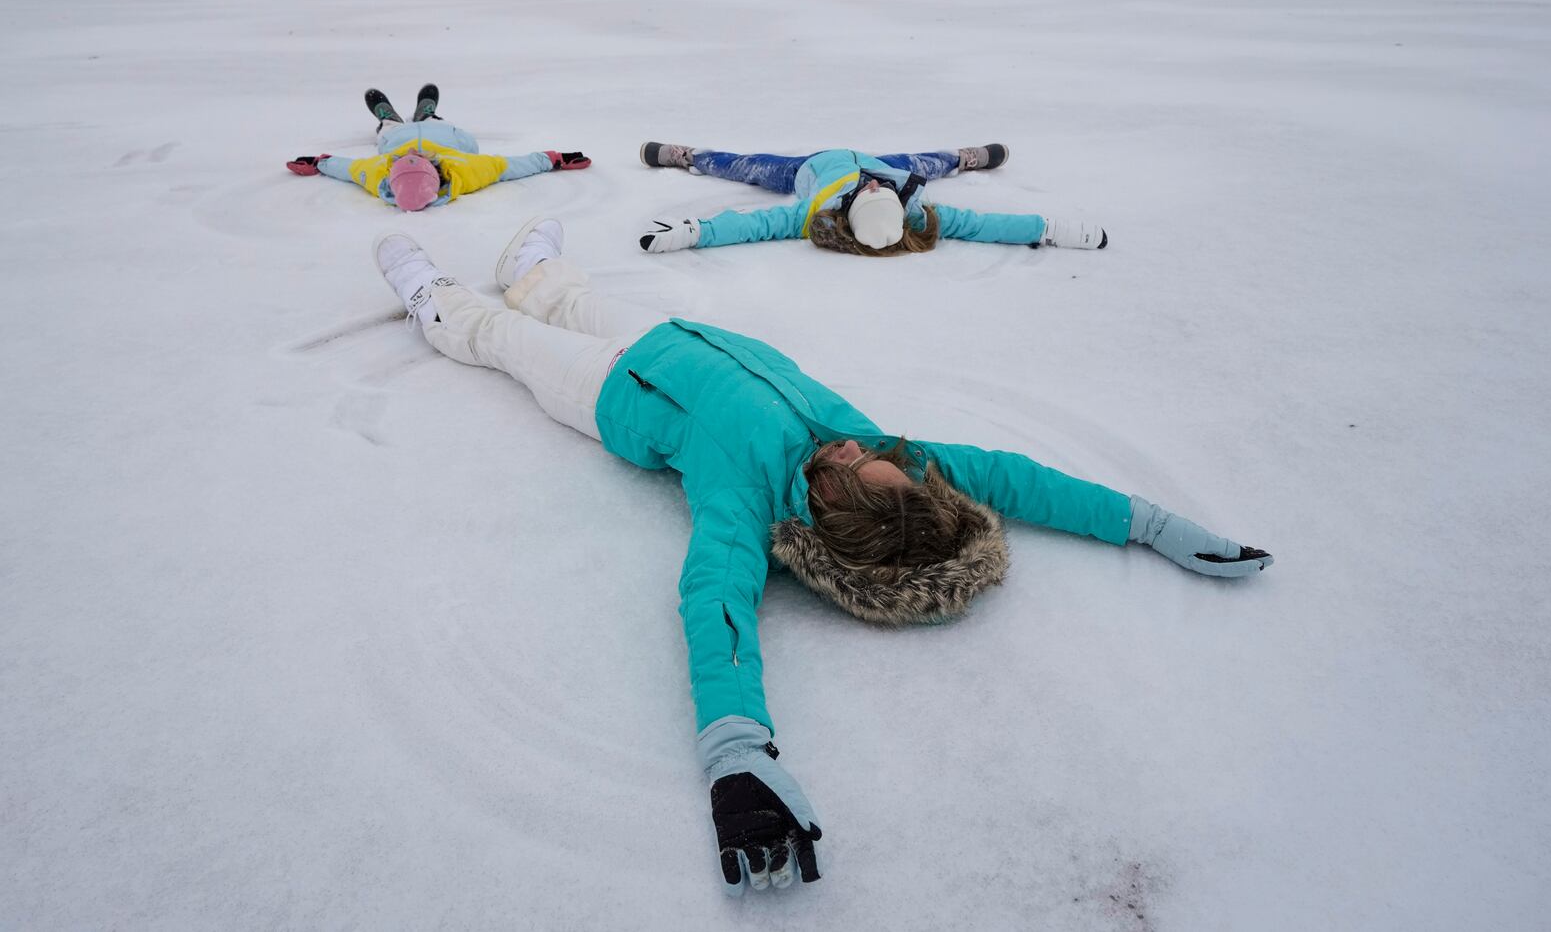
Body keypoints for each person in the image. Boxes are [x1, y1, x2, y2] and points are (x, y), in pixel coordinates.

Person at [369, 221, 1273, 895]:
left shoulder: (750, 502)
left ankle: (434, 301)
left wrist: (736, 755)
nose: (851, 446)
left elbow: (715, 601)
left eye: (851, 466)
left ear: (837, 508)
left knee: (502, 338)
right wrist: (1147, 523)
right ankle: (535, 268)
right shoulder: (894, 457)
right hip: (676, 337)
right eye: (870, 455)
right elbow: (1021, 479)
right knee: (569, 295)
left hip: (609, 389)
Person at [637, 142, 1108, 255]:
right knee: (934, 162)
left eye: (869, 193)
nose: (874, 186)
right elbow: (983, 225)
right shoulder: (906, 200)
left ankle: (687, 156)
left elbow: (756, 225)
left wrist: (695, 232)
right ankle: (969, 158)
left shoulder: (815, 212)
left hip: (807, 167)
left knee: (743, 165)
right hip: (890, 159)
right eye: (879, 192)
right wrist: (1049, 230)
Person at [285, 85, 591, 211]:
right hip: (447, 137)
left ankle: (388, 120)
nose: (413, 155)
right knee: (448, 132)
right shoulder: (465, 170)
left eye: (405, 161)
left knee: (390, 137)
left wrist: (320, 161)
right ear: (437, 171)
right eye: (416, 160)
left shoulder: (379, 172)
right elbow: (511, 165)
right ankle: (428, 114)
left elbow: (348, 168)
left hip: (398, 138)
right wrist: (554, 159)